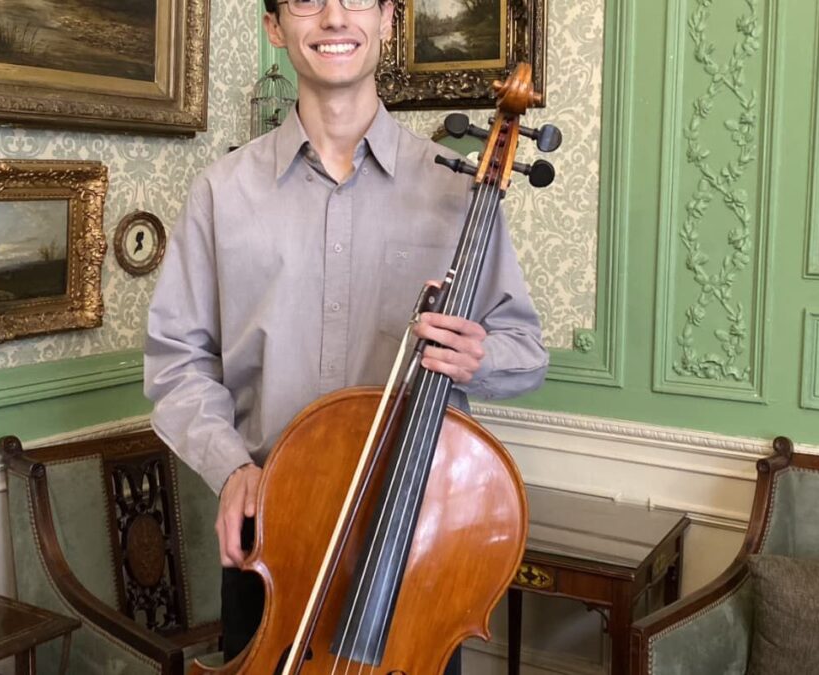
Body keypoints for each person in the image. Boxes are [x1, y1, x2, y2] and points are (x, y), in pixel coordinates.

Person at [144, 0, 549, 670]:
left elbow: (526, 352)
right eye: (307, 1)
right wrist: (232, 467)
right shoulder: (221, 192)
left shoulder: (459, 192)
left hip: (414, 544)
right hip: (276, 537)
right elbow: (177, 361)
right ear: (275, 26)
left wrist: (478, 356)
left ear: (389, 20)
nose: (335, 17)